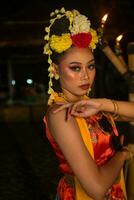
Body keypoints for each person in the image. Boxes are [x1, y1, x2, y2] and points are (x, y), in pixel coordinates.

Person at [43, 7, 134, 200]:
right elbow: (97, 189)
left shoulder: (89, 104)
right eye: (75, 68)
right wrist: (123, 155)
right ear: (56, 70)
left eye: (90, 66)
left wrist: (102, 104)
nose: (85, 75)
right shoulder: (60, 113)